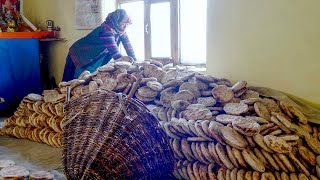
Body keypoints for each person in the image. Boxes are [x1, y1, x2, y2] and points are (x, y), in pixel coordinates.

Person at [62, 9, 136, 81]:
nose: (125, 26)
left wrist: (135, 61)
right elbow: (116, 54)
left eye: (127, 24)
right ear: (116, 21)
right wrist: (127, 66)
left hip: (95, 55)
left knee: (91, 78)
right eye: (123, 23)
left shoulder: (120, 31)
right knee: (78, 80)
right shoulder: (106, 31)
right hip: (81, 54)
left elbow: (129, 47)